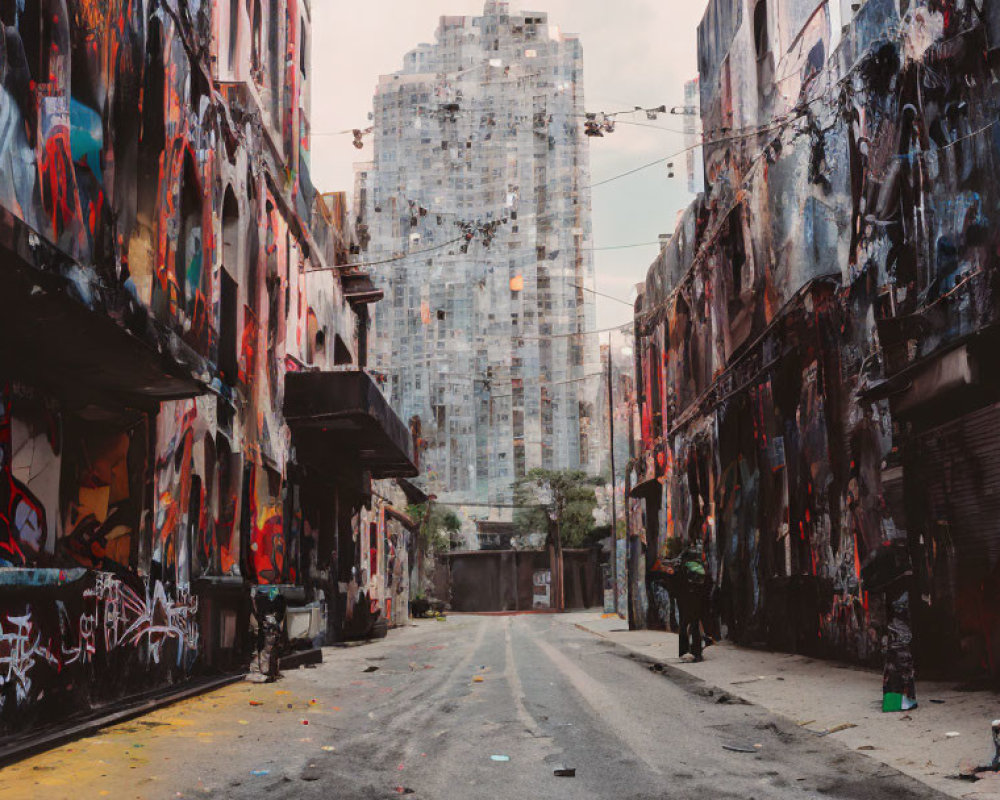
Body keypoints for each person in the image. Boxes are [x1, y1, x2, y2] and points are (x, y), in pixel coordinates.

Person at [677, 541, 708, 662]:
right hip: (696, 597)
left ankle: (683, 651)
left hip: (684, 597)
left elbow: (678, 583)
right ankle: (697, 652)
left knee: (684, 623)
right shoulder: (700, 567)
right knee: (695, 623)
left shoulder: (683, 565)